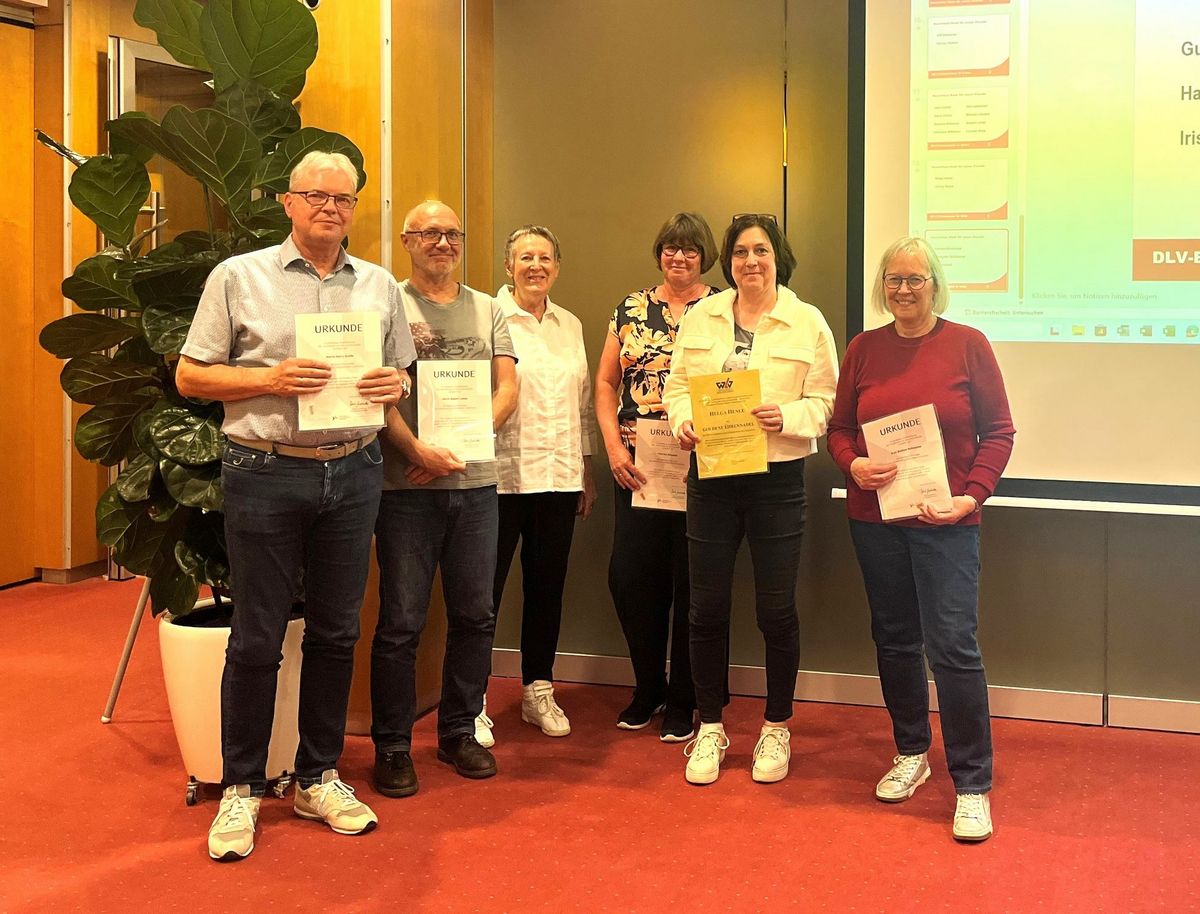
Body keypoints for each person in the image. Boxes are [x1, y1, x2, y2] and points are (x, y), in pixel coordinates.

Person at [177, 151, 415, 861]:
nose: (330, 209)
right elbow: (190, 375)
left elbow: (400, 373)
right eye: (316, 195)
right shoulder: (238, 277)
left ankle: (317, 776)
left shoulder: (377, 285)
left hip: (354, 469)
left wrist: (395, 388)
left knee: (337, 632)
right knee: (256, 635)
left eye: (343, 199)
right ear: (287, 201)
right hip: (265, 469)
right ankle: (243, 787)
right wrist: (269, 380)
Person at [827, 236, 1015, 842]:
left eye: (915, 279)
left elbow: (1000, 433)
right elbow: (839, 430)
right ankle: (911, 751)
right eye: (894, 279)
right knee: (896, 641)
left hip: (948, 524)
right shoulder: (863, 349)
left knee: (953, 648)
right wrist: (853, 464)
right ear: (882, 286)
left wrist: (971, 496)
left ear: (935, 284)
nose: (904, 289)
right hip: (876, 523)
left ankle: (972, 783)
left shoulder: (969, 345)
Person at [662, 213, 838, 786]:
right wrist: (684, 422)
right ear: (729, 261)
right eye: (740, 252)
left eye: (760, 250)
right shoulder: (702, 316)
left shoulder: (806, 320)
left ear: (777, 257)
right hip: (711, 476)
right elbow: (677, 389)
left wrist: (786, 415)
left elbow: (826, 402)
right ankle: (711, 726)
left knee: (775, 610)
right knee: (705, 609)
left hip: (776, 481)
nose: (750, 261)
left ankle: (776, 725)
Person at [369, 200, 519, 795]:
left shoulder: (488, 309)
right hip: (405, 488)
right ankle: (392, 745)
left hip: (476, 487)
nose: (443, 243)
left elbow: (508, 389)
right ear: (408, 240)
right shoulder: (387, 305)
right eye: (429, 233)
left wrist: (462, 444)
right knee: (401, 622)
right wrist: (417, 451)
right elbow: (376, 394)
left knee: (475, 616)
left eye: (452, 233)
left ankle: (458, 731)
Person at [594, 212, 721, 742]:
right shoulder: (630, 308)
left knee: (693, 584)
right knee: (632, 580)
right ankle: (649, 685)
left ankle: (686, 697)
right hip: (637, 468)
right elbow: (606, 383)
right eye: (670, 247)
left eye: (690, 249)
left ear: (705, 256)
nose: (679, 257)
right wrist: (611, 450)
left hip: (703, 468)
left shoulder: (724, 309)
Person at [492, 225, 596, 738]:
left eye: (545, 258)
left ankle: (538, 688)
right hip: (499, 479)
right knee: (482, 596)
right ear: (508, 266)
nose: (536, 266)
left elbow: (582, 404)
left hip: (559, 476)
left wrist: (586, 470)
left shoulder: (569, 324)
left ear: (557, 266)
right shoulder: (489, 318)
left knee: (546, 590)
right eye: (526, 257)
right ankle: (470, 699)